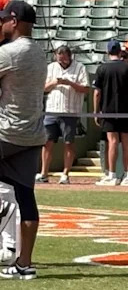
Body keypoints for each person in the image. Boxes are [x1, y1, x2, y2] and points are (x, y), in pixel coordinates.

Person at [0, 1, 46, 281]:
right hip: (32, 134)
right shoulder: (40, 52)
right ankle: (24, 264)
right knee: (26, 197)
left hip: (6, 132)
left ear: (14, 21)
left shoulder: (10, 52)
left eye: (4, 20)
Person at [93, 40, 128, 187]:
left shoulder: (102, 68)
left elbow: (97, 93)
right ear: (120, 52)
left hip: (109, 111)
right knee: (127, 142)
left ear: (108, 52)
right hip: (127, 111)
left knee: (112, 142)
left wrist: (96, 112)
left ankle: (112, 175)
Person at [39, 45, 90, 185]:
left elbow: (85, 89)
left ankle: (65, 174)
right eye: (59, 59)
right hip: (51, 110)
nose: (62, 62)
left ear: (69, 57)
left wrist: (69, 83)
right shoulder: (51, 67)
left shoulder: (80, 67)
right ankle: (44, 173)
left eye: (64, 59)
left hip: (70, 111)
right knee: (47, 142)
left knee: (69, 143)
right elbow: (43, 88)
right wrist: (54, 82)